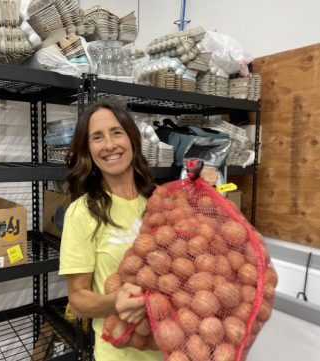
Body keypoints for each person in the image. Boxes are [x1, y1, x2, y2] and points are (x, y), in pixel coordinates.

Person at [59, 100, 219, 361]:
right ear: (88, 150)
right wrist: (115, 301)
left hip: (176, 350)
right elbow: (77, 299)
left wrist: (203, 193)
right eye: (97, 137)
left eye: (117, 132)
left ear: (132, 139)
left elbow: (191, 259)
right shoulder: (84, 212)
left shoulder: (162, 200)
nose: (109, 145)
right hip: (119, 354)